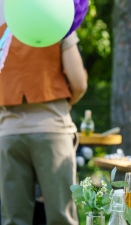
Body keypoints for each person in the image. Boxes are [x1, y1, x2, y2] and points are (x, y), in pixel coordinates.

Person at [0, 24, 88, 225]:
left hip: (8, 132)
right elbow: (79, 83)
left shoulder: (2, 22)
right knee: (61, 218)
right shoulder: (58, 18)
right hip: (52, 128)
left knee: (13, 219)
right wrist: (65, 104)